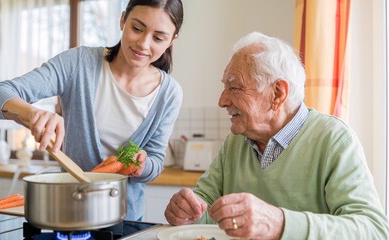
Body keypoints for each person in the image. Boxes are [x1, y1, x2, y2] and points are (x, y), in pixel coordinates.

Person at [164, 32, 389, 239]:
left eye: (235, 88)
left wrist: (280, 223)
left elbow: (373, 230)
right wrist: (188, 212)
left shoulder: (334, 139)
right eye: (224, 87)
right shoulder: (236, 140)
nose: (222, 100)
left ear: (277, 94)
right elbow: (206, 207)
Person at [0, 0, 184, 221]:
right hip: (70, 214)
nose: (144, 44)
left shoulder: (169, 93)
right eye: (137, 28)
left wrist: (142, 164)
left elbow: (155, 162)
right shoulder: (79, 64)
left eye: (158, 38)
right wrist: (32, 114)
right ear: (122, 20)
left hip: (126, 218)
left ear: (172, 40)